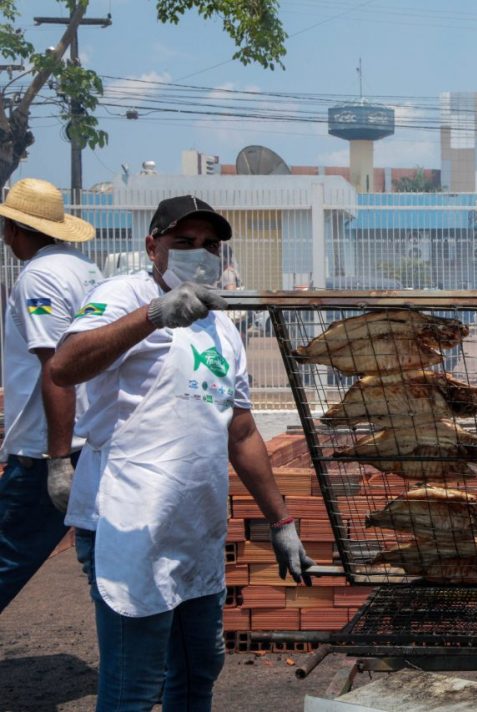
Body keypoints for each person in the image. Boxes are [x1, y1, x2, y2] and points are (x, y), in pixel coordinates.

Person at [49, 195, 315, 711]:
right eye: (184, 241)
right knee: (134, 684)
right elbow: (65, 365)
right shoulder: (123, 294)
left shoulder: (221, 327)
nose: (200, 253)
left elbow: (241, 431)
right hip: (128, 523)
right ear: (153, 246)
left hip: (193, 526)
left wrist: (280, 521)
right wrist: (152, 316)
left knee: (198, 670)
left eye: (210, 245)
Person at [0, 178, 102, 613]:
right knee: (101, 558)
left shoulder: (39, 278)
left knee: (7, 554)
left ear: (13, 229)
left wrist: (57, 461)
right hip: (91, 437)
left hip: (48, 445)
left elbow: (56, 368)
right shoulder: (84, 268)